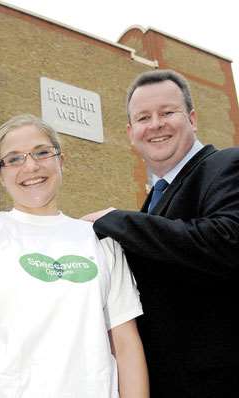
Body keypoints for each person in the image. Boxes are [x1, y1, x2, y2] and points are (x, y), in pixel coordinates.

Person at [0, 114, 149, 398]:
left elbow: (126, 347)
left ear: (61, 161)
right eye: (14, 159)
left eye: (42, 153)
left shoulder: (100, 240)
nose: (30, 166)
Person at [83, 69, 239, 397]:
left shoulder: (227, 165)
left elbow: (228, 239)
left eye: (168, 112)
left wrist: (116, 220)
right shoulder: (152, 203)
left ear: (193, 119)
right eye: (143, 117)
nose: (156, 124)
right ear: (130, 132)